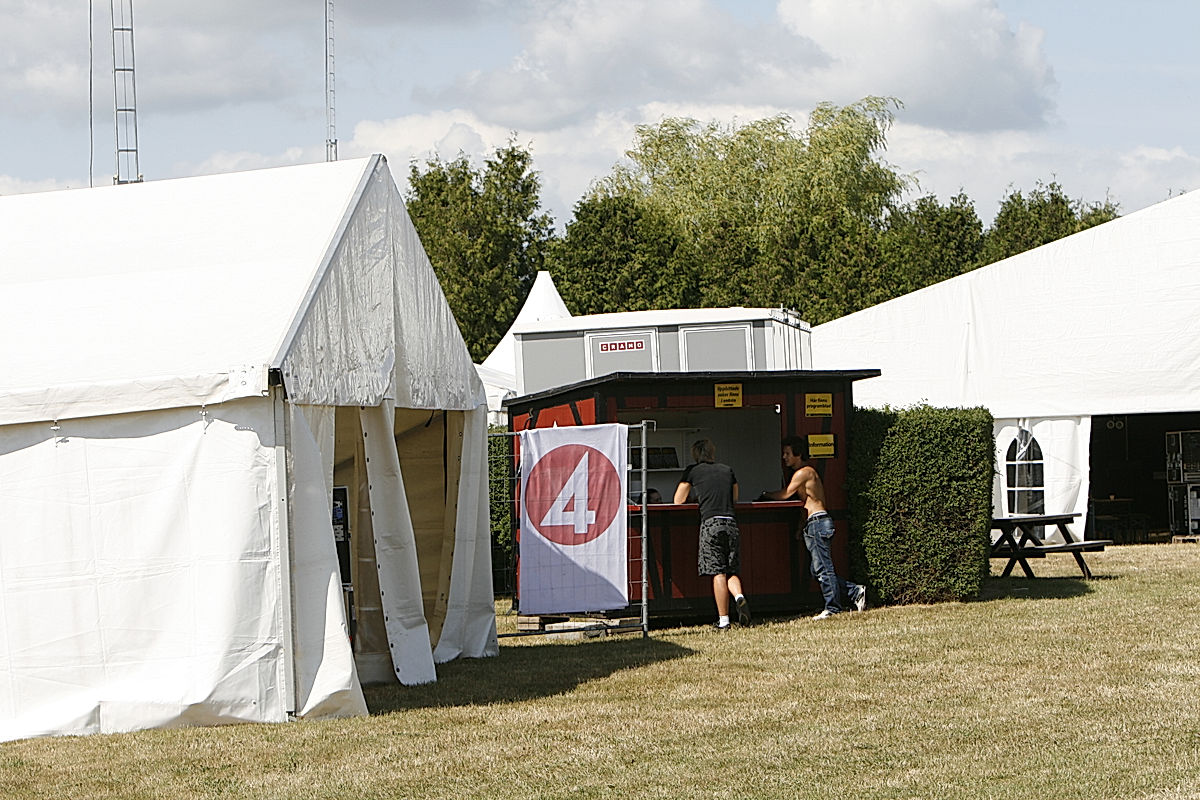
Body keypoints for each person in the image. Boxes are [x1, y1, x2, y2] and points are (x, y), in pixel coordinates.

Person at [760, 436, 867, 620]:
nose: (784, 457)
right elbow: (805, 503)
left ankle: (833, 607)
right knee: (816, 570)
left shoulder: (804, 472)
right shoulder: (803, 474)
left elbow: (785, 495)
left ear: (798, 454)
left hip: (818, 522)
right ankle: (855, 591)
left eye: (787, 453)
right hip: (812, 524)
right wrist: (801, 528)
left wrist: (764, 494)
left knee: (824, 568)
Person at [674, 439, 751, 630]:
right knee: (730, 569)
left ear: (695, 454)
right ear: (712, 453)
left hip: (711, 523)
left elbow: (678, 500)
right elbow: (734, 498)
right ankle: (739, 597)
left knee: (718, 572)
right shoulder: (727, 470)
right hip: (731, 523)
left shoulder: (693, 471)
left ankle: (724, 620)